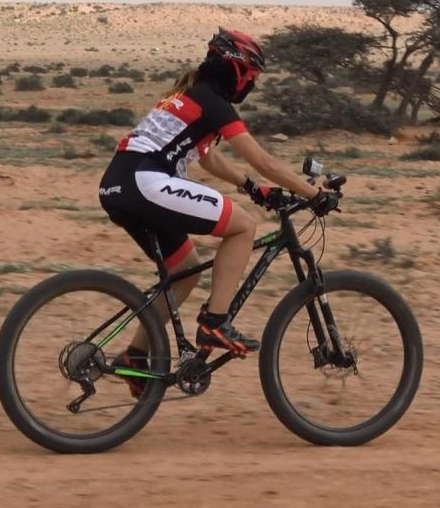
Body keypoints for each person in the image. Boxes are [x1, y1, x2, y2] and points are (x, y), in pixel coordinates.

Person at [98, 28, 338, 396]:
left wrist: (252, 187)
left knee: (185, 271)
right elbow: (263, 160)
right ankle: (215, 322)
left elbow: (208, 159)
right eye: (252, 76)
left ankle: (136, 356)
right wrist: (314, 194)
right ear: (237, 70)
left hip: (120, 185)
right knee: (242, 226)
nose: (252, 84)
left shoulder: (188, 95)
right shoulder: (211, 101)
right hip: (145, 182)